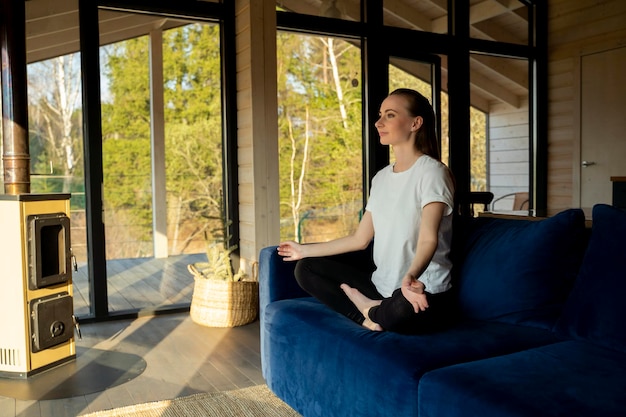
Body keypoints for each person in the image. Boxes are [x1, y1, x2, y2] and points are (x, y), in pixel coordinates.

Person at [277, 88, 456, 335]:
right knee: (306, 268)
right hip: (381, 288)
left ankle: (370, 308)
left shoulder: (433, 173)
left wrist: (411, 277)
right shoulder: (381, 178)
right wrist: (303, 249)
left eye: (390, 115)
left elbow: (429, 238)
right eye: (380, 115)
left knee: (406, 307)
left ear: (415, 123)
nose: (379, 122)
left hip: (421, 290)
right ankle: (369, 317)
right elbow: (359, 240)